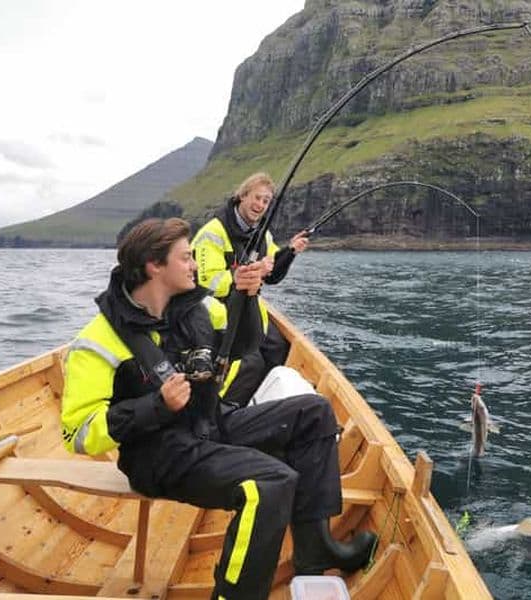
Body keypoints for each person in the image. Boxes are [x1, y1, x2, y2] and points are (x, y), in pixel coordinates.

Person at [61, 218, 375, 600]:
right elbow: (77, 433)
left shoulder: (199, 308)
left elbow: (244, 345)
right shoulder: (96, 342)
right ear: (153, 266)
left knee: (314, 412)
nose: (194, 265)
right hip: (159, 456)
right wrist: (155, 407)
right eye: (185, 257)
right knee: (271, 483)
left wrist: (246, 295)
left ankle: (315, 549)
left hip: (210, 423)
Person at [191, 173, 309, 402]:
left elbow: (272, 271)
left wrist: (290, 251)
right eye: (257, 198)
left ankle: (266, 405)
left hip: (248, 306)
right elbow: (207, 284)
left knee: (278, 347)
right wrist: (243, 275)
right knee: (250, 363)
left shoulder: (263, 235)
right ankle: (226, 408)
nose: (261, 205)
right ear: (242, 196)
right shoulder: (213, 232)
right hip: (213, 309)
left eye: (266, 201)